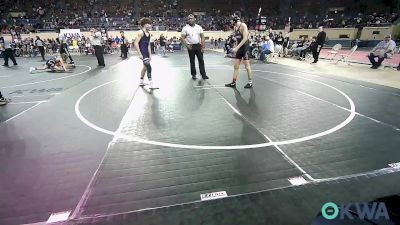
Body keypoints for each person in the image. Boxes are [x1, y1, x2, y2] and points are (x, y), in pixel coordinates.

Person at [225, 11, 253, 88]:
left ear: (235, 19)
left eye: (232, 18)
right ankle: (233, 83)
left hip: (245, 49)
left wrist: (237, 48)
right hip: (239, 49)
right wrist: (235, 47)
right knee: (236, 66)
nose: (231, 20)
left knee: (247, 66)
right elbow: (237, 39)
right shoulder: (235, 27)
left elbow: (245, 38)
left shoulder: (243, 25)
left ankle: (250, 82)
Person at [180, 14, 208, 80]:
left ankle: (203, 74)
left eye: (191, 18)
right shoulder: (185, 28)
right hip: (191, 46)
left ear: (194, 19)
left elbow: (202, 37)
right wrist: (187, 46)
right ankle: (193, 74)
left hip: (198, 45)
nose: (190, 20)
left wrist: (203, 46)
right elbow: (182, 38)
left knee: (201, 60)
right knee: (192, 61)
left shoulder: (199, 27)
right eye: (189, 19)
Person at [134, 17, 156, 89]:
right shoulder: (141, 32)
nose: (150, 25)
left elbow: (148, 45)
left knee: (145, 67)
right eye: (148, 24)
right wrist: (139, 54)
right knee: (148, 67)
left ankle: (141, 82)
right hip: (143, 53)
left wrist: (150, 55)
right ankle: (151, 84)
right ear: (144, 25)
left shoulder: (149, 34)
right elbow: (136, 43)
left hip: (146, 53)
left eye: (150, 24)